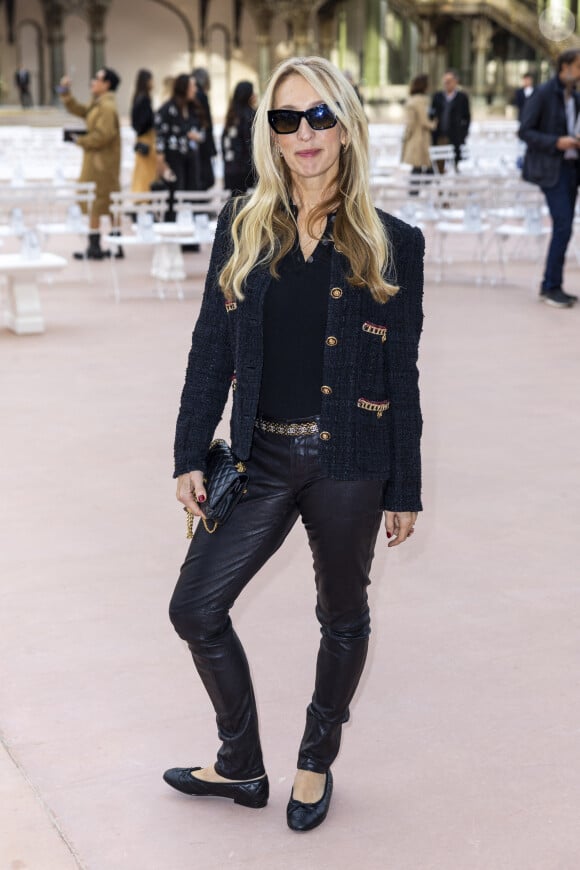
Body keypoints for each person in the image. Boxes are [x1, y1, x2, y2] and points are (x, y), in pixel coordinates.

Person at [164, 56, 424, 833]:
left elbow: (401, 375)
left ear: (345, 124)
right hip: (257, 459)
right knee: (195, 608)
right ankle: (241, 763)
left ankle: (316, 758)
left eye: (319, 116)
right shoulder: (242, 221)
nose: (304, 133)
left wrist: (404, 488)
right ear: (268, 133)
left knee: (342, 614)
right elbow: (212, 347)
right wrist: (188, 451)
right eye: (286, 119)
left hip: (351, 460)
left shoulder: (392, 241)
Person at [519, 50, 580, 308]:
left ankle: (554, 285)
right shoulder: (543, 93)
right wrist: (556, 142)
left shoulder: (575, 96)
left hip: (572, 169)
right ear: (565, 66)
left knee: (564, 228)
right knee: (563, 224)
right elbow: (525, 131)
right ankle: (549, 286)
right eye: (579, 66)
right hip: (551, 171)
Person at [59, 68, 121, 260]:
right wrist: (65, 92)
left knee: (99, 201)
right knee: (105, 201)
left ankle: (98, 246)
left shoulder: (107, 107)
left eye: (98, 79)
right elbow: (81, 111)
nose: (93, 81)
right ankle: (114, 244)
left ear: (107, 84)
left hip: (102, 164)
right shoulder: (98, 104)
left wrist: (79, 140)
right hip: (97, 162)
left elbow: (103, 136)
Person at [155, 74, 206, 220]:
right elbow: (160, 137)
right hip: (174, 160)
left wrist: (195, 136)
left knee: (192, 193)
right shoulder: (166, 110)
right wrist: (162, 163)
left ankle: (191, 237)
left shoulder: (193, 109)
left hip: (191, 159)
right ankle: (172, 228)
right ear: (184, 88)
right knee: (175, 194)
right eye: (192, 86)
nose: (195, 90)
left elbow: (202, 131)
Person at [221, 80, 256, 195]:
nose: (255, 95)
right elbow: (251, 143)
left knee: (234, 202)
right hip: (246, 169)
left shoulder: (231, 114)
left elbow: (224, 142)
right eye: (252, 92)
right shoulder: (249, 114)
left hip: (231, 168)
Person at [431, 69, 470, 169]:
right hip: (440, 135)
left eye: (449, 80)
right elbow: (432, 114)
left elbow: (467, 117)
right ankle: (439, 180)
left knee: (456, 162)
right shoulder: (437, 96)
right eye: (445, 81)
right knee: (439, 162)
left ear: (456, 82)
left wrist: (463, 133)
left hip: (456, 135)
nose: (446, 83)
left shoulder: (462, 97)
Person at [401, 74, 437, 180]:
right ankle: (414, 194)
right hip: (419, 139)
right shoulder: (420, 101)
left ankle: (414, 193)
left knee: (418, 168)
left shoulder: (412, 100)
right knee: (421, 168)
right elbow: (424, 121)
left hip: (414, 137)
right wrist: (434, 124)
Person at [130, 68, 157, 195]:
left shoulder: (138, 97)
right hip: (146, 139)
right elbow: (143, 122)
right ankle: (143, 198)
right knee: (146, 172)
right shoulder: (144, 99)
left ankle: (141, 197)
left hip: (142, 138)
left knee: (142, 170)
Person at [192, 68, 217, 191]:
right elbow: (207, 122)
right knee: (205, 177)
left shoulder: (196, 95)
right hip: (202, 140)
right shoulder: (201, 95)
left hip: (197, 140)